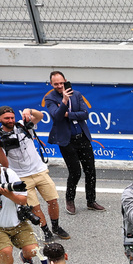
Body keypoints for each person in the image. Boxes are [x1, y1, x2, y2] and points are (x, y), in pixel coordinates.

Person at [0, 105, 65, 241]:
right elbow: (5, 165)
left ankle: (56, 226)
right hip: (21, 176)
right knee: (34, 207)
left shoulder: (23, 126)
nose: (10, 120)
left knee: (53, 200)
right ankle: (46, 231)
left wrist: (28, 111)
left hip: (39, 171)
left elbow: (40, 116)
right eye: (6, 118)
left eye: (12, 117)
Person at [42, 71, 101, 214]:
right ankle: (70, 200)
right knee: (75, 172)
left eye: (61, 83)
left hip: (82, 137)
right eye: (56, 84)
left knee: (90, 171)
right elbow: (56, 116)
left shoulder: (77, 94)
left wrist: (68, 114)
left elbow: (85, 114)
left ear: (65, 81)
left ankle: (91, 200)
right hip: (66, 141)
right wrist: (63, 101)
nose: (59, 86)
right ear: (51, 84)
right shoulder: (50, 98)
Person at [0, 151, 41, 264]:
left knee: (33, 250)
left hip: (16, 222)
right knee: (6, 251)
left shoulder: (8, 174)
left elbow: (23, 200)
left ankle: (26, 258)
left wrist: (10, 195)